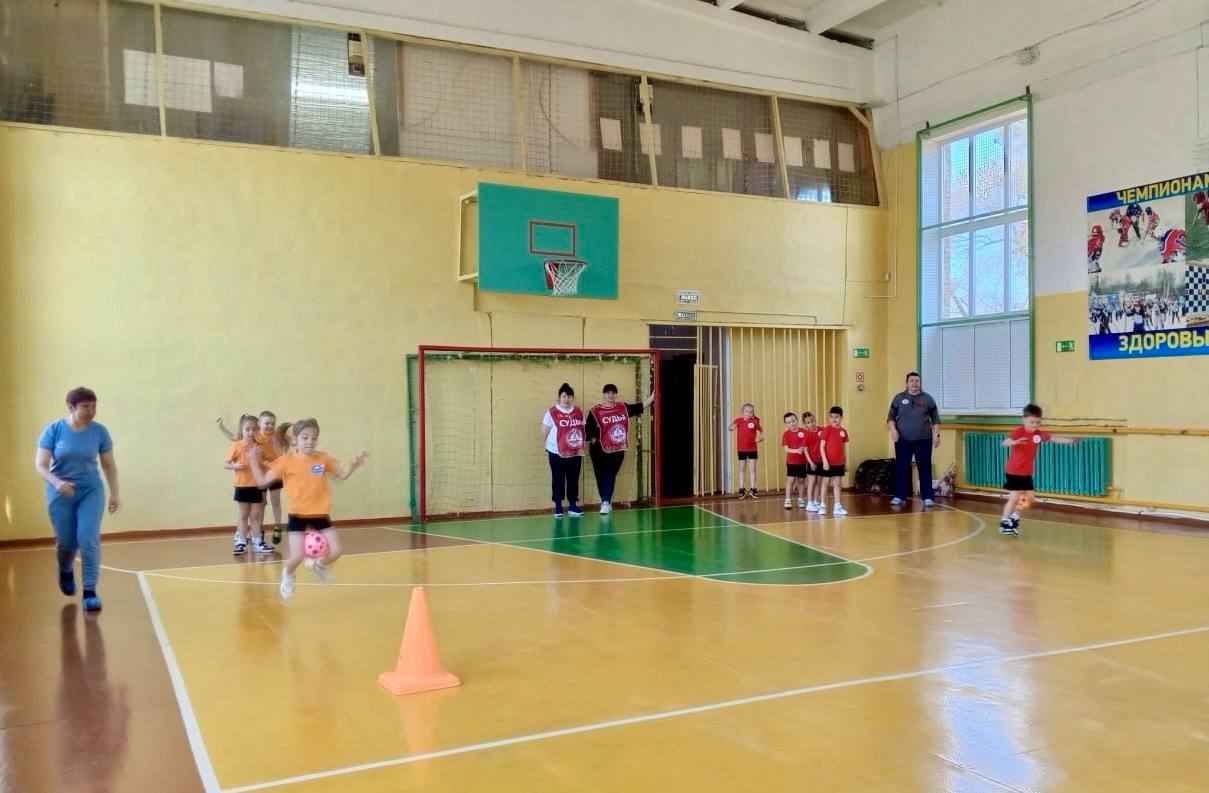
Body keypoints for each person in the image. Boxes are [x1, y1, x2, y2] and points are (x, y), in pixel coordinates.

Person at [247, 418, 367, 599]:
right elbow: (262, 481)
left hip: (320, 514)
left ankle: (320, 566)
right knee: (297, 556)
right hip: (297, 516)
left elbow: (342, 474)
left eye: (314, 438)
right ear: (294, 439)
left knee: (336, 551)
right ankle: (288, 575)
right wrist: (252, 461)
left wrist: (354, 463)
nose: (310, 441)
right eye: (305, 438)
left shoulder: (322, 458)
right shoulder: (286, 461)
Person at [34, 387, 121, 611]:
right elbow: (41, 465)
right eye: (85, 406)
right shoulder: (53, 430)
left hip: (90, 491)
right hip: (60, 492)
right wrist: (57, 483)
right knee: (67, 543)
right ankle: (65, 570)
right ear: (71, 407)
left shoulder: (99, 432)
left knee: (87, 539)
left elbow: (109, 465)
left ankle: (90, 591)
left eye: (94, 406)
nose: (91, 411)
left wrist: (115, 493)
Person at [999, 404, 1077, 536]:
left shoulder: (1039, 434)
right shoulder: (1019, 432)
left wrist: (1071, 440)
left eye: (1037, 422)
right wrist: (1014, 442)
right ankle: (1004, 523)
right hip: (1014, 471)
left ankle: (1013, 520)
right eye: (1032, 422)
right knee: (1014, 497)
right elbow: (1005, 442)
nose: (1035, 425)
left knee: (1029, 498)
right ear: (1024, 420)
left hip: (1026, 472)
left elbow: (1055, 439)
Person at [585, 384, 654, 515]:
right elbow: (588, 428)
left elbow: (638, 407)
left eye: (613, 393)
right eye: (608, 393)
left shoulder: (623, 408)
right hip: (599, 449)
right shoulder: (595, 411)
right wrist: (593, 437)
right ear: (603, 395)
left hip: (617, 449)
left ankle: (606, 502)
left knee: (610, 475)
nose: (610, 395)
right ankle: (605, 500)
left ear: (616, 395)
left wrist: (651, 398)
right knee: (600, 476)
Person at [218, 411, 284, 543]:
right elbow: (234, 438)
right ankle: (250, 533)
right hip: (255, 479)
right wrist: (221, 426)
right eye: (267, 423)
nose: (270, 426)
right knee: (253, 508)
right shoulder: (250, 439)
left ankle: (271, 530)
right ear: (260, 423)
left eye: (273, 423)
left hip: (271, 474)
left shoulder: (274, 436)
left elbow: (289, 440)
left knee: (271, 502)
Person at [886, 372, 941, 507]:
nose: (914, 383)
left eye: (917, 380)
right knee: (901, 467)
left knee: (925, 468)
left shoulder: (927, 398)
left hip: (924, 439)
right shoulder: (899, 398)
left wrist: (936, 435)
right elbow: (891, 417)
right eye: (911, 381)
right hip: (903, 440)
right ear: (907, 383)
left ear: (920, 383)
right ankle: (899, 496)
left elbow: (935, 419)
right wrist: (893, 430)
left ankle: (927, 497)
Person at [224, 414, 274, 555]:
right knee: (243, 515)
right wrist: (235, 466)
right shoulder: (236, 445)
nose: (251, 432)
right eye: (248, 429)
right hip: (242, 486)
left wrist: (268, 467)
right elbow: (225, 464)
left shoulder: (260, 447)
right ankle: (241, 541)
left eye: (254, 429)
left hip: (257, 486)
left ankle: (257, 541)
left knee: (256, 515)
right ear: (242, 430)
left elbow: (273, 461)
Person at [542, 383, 586, 517]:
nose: (567, 399)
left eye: (569, 396)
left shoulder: (578, 412)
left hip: (575, 452)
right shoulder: (551, 413)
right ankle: (558, 507)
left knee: (573, 478)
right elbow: (544, 432)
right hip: (556, 452)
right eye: (564, 396)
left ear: (573, 398)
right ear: (559, 397)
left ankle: (573, 505)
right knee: (558, 478)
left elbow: (583, 428)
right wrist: (551, 445)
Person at [818, 405, 849, 516]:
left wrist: (845, 462)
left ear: (841, 417)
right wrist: (825, 461)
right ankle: (822, 505)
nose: (834, 419)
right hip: (828, 463)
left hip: (839, 463)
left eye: (836, 417)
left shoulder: (843, 431)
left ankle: (837, 506)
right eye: (831, 417)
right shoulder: (827, 429)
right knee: (825, 484)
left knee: (837, 484)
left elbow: (843, 448)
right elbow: (822, 446)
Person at [728, 403, 764, 498]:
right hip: (741, 449)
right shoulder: (739, 420)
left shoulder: (755, 421)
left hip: (752, 448)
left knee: (752, 469)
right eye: (746, 411)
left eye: (751, 412)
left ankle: (753, 488)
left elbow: (761, 430)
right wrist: (732, 426)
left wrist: (761, 437)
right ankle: (742, 488)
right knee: (742, 468)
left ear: (753, 413)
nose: (748, 413)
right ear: (742, 412)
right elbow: (730, 428)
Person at [781, 413, 808, 509]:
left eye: (793, 420)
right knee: (791, 480)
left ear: (797, 420)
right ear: (786, 424)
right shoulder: (786, 434)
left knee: (801, 481)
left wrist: (804, 449)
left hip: (802, 462)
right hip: (791, 462)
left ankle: (801, 499)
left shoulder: (804, 432)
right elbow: (786, 449)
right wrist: (797, 451)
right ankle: (788, 500)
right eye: (789, 422)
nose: (792, 423)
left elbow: (808, 444)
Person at [800, 411, 823, 512]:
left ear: (815, 420)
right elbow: (805, 450)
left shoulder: (822, 430)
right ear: (805, 424)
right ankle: (809, 503)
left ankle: (816, 501)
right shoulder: (807, 435)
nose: (811, 424)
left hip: (822, 461)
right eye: (808, 422)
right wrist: (811, 462)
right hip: (812, 462)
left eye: (812, 421)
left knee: (819, 482)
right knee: (812, 482)